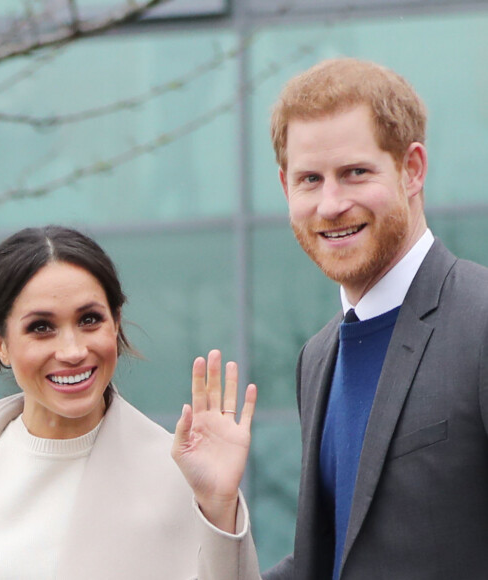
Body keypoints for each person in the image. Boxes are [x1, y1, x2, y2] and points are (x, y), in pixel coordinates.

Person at [175, 56, 488, 580]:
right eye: (310, 180)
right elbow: (330, 562)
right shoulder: (318, 358)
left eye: (355, 173)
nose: (331, 204)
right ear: (284, 188)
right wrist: (218, 507)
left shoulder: (480, 320)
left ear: (412, 170)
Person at [0, 225, 261, 579]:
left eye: (89, 320)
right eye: (41, 327)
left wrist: (218, 507)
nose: (73, 351)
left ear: (116, 323)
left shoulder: (181, 480)